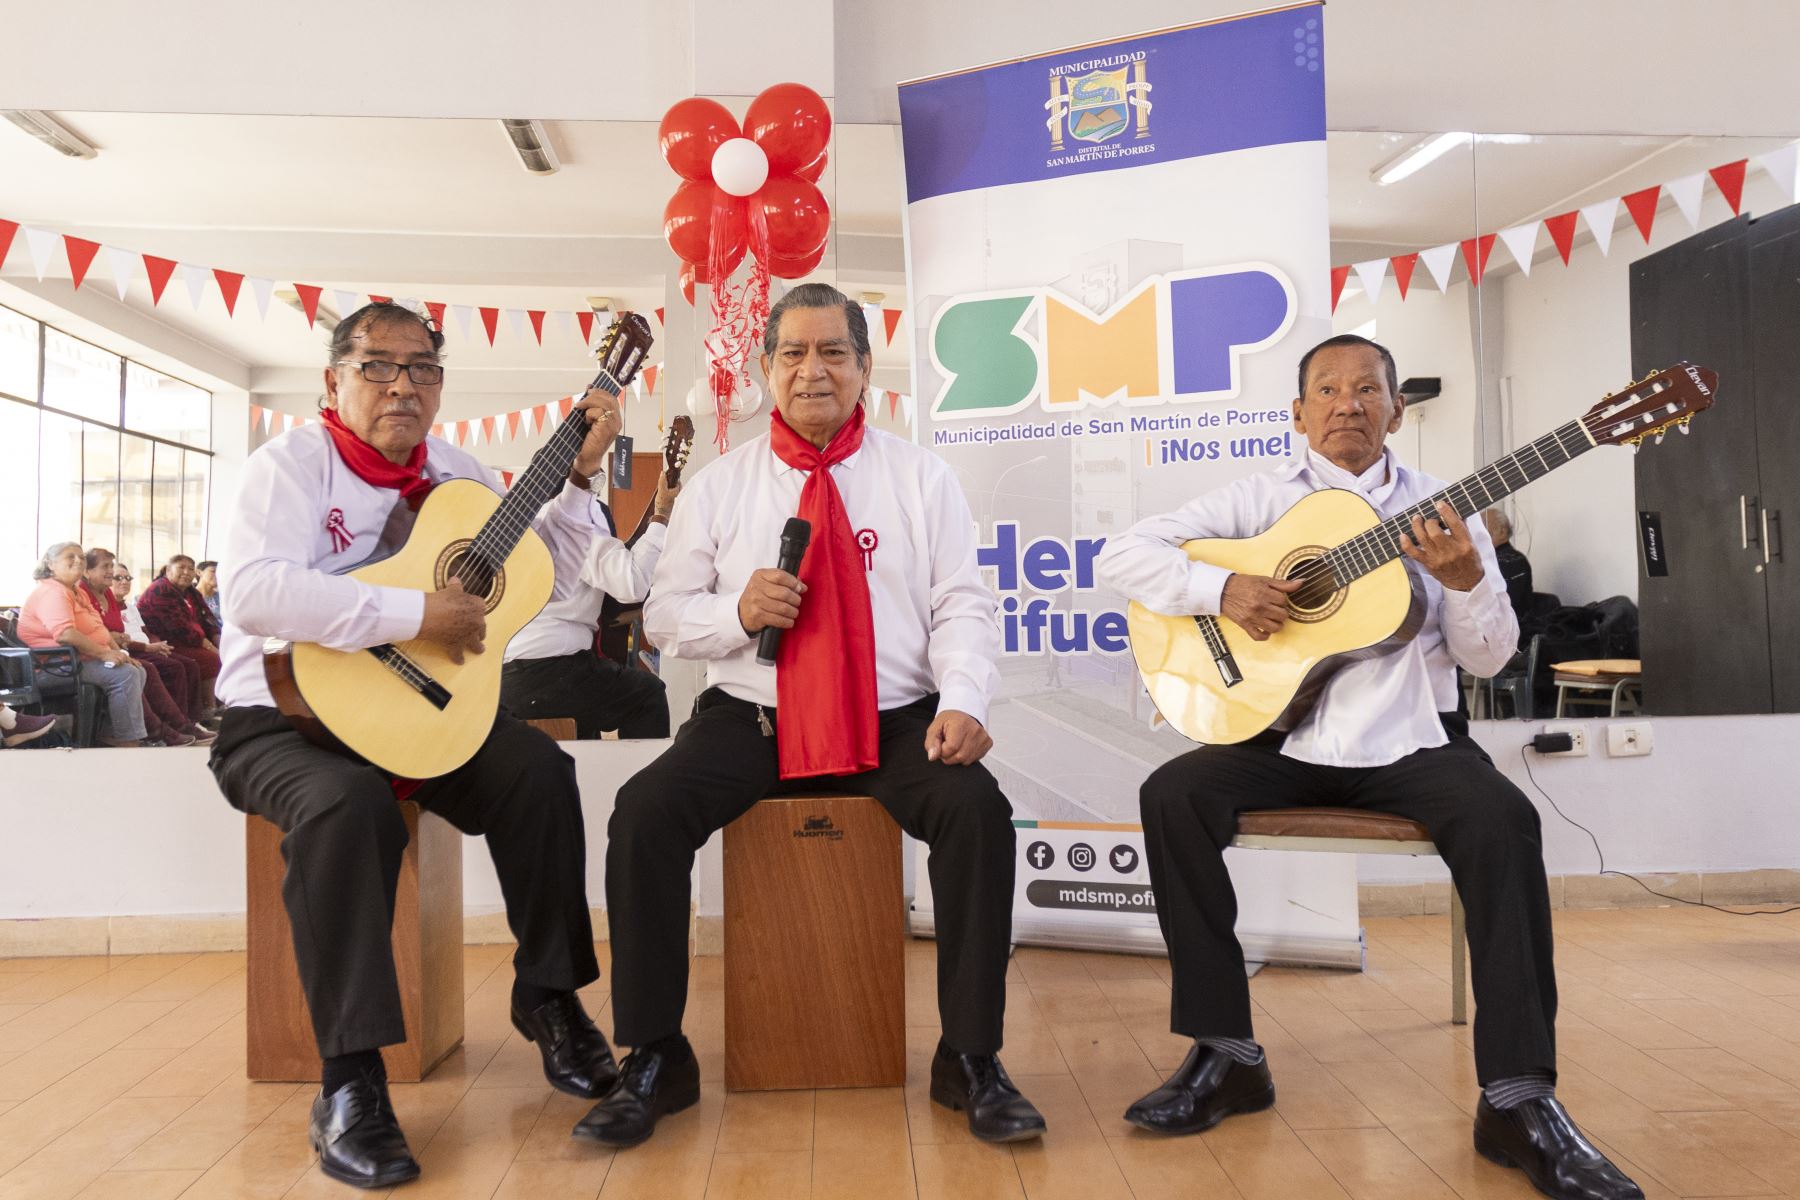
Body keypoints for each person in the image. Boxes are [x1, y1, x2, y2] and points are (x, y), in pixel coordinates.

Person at [1096, 334, 1642, 1200]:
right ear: (1299, 412)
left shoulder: (1444, 508)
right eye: (1327, 389)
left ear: (1395, 408)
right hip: (1280, 740)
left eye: (1367, 389)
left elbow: (1493, 660)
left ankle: (1517, 1098)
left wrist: (1465, 580)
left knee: (1506, 821)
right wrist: (1221, 591)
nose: (1347, 403)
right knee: (1173, 794)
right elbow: (1117, 556)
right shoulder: (1260, 500)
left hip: (1414, 743)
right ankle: (1226, 1053)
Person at [579, 284, 1044, 1149]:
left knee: (977, 813)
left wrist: (964, 701)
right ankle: (655, 1054)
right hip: (752, 715)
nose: (813, 370)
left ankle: (970, 1057)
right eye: (793, 353)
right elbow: (667, 618)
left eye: (834, 351)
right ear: (764, 372)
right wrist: (739, 612)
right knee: (643, 814)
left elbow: (963, 604)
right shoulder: (721, 485)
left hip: (894, 719)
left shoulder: (920, 476)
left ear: (866, 368)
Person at [208, 301, 626, 1189]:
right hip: (284, 720)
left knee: (541, 773)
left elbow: (548, 561)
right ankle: (350, 1080)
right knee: (348, 806)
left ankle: (547, 995)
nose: (402, 386)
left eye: (423, 369)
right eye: (378, 366)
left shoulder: (457, 472)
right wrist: (412, 611)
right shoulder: (287, 467)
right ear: (333, 379)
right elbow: (253, 592)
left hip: (423, 714)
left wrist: (579, 478)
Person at [499, 472, 678, 739]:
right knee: (647, 695)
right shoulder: (573, 520)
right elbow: (632, 582)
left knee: (594, 700)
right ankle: (639, 780)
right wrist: (662, 514)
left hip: (505, 678)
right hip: (551, 669)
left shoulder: (521, 527)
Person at [18, 542, 149, 747]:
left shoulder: (76, 591)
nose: (78, 560)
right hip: (54, 666)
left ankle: (111, 733)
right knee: (125, 675)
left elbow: (100, 629)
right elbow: (65, 634)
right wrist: (104, 655)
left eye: (81, 557)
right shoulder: (52, 591)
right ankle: (128, 740)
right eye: (70, 557)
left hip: (78, 660)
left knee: (136, 669)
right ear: (51, 564)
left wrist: (119, 652)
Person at [80, 548, 210, 746]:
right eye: (107, 569)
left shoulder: (107, 594)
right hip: (94, 655)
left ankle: (182, 723)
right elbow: (89, 632)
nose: (119, 579)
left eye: (126, 577)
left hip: (117, 649)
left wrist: (133, 646)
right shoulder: (82, 594)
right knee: (144, 669)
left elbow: (128, 630)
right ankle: (159, 729)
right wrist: (133, 648)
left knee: (174, 665)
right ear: (87, 571)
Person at [137, 554, 222, 714]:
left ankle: (217, 704)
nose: (186, 572)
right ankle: (209, 708)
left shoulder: (191, 592)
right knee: (210, 658)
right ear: (168, 570)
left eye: (190, 569)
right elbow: (178, 628)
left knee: (222, 653)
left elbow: (207, 618)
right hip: (165, 642)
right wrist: (210, 647)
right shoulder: (160, 589)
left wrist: (217, 639)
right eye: (181, 568)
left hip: (188, 641)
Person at [1482, 509, 1534, 621]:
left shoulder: (1511, 561)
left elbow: (1503, 606)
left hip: (1512, 630)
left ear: (1502, 532)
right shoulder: (1495, 559)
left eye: (1484, 530)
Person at [196, 559, 223, 626]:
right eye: (213, 571)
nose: (217, 575)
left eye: (220, 572)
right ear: (199, 572)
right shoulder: (191, 596)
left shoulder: (221, 596)